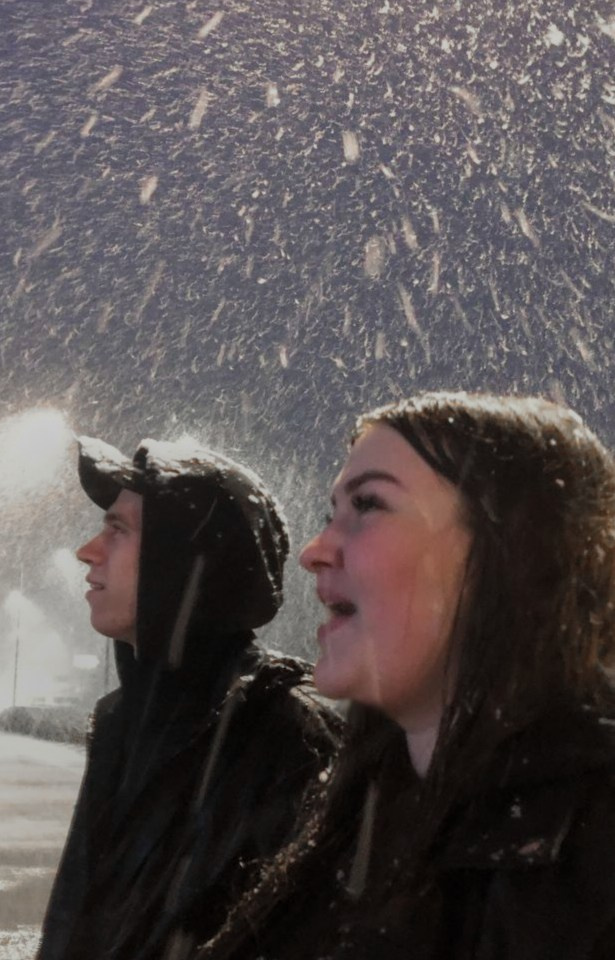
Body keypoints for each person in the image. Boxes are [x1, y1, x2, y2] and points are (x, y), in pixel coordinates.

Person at [200, 391, 615, 960]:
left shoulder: (593, 840)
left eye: (368, 504)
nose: (315, 550)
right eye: (331, 514)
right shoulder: (354, 818)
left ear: (512, 551)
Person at [36, 435, 344, 960]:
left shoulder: (288, 731)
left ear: (182, 562)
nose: (88, 551)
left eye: (118, 529)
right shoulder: (119, 722)